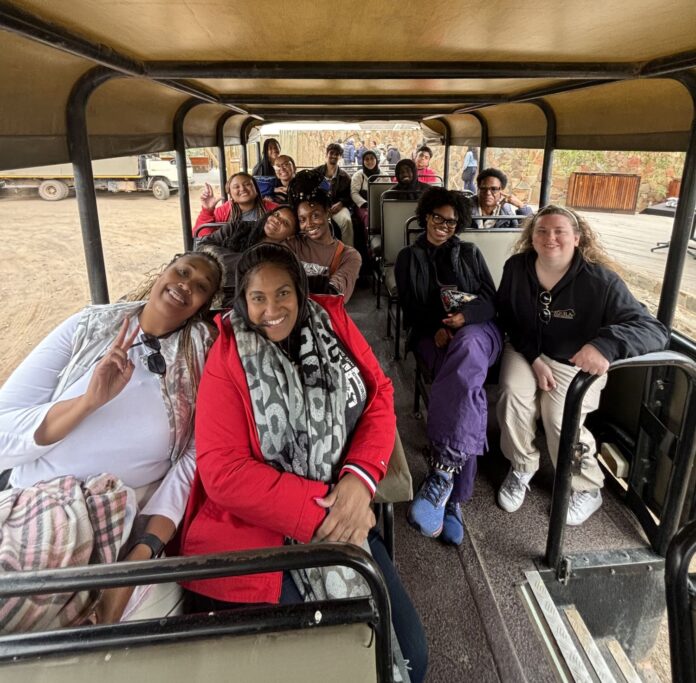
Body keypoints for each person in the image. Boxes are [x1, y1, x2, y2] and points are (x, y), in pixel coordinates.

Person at [179, 243, 428, 682]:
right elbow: (223, 474)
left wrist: (358, 481)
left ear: (299, 292)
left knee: (411, 656)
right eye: (258, 297)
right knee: (335, 666)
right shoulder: (228, 358)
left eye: (282, 294)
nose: (271, 309)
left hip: (347, 510)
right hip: (259, 538)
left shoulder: (331, 322)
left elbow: (379, 396)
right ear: (244, 300)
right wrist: (330, 509)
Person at [0, 252, 223, 627]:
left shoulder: (200, 353)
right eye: (182, 272)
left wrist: (144, 550)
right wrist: (87, 402)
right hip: (31, 500)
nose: (186, 284)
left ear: (204, 306)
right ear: (163, 272)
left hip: (116, 515)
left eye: (201, 287)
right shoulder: (89, 327)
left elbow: (193, 459)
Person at [495, 205, 669, 525]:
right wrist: (534, 360)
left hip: (573, 361)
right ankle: (522, 466)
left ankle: (587, 487)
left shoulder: (599, 281)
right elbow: (507, 316)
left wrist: (603, 345)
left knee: (559, 416)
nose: (551, 237)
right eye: (542, 231)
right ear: (531, 238)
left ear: (577, 238)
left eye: (560, 231)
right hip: (526, 351)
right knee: (512, 395)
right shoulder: (517, 268)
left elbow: (653, 329)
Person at [395, 188, 502, 545]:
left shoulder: (470, 253)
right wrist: (438, 328)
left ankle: (443, 475)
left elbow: (491, 302)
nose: (443, 226)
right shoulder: (409, 257)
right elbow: (410, 308)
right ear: (426, 216)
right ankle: (455, 497)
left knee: (468, 353)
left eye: (451, 221)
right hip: (433, 335)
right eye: (437, 218)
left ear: (459, 225)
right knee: (465, 388)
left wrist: (465, 318)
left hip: (477, 332)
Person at [197, 206, 298, 306]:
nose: (276, 220)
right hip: (206, 286)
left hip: (237, 304)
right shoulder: (237, 228)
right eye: (276, 214)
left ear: (291, 236)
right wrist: (246, 262)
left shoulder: (281, 257)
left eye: (285, 223)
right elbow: (203, 246)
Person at [287, 170, 361, 301]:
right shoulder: (291, 245)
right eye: (302, 220)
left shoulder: (349, 256)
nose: (309, 224)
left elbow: (335, 293)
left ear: (328, 213)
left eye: (315, 216)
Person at [194, 173, 278, 238]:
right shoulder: (224, 211)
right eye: (236, 187)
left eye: (247, 184)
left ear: (256, 189)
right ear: (231, 195)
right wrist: (207, 211)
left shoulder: (274, 209)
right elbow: (202, 237)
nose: (242, 189)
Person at [313, 143, 354, 247]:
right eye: (332, 153)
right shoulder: (315, 173)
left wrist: (341, 203)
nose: (334, 156)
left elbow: (349, 196)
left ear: (340, 157)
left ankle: (348, 251)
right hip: (319, 207)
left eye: (337, 154)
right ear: (326, 154)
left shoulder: (345, 177)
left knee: (346, 221)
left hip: (337, 207)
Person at [350, 149, 381, 231]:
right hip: (363, 206)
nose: (370, 161)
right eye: (366, 159)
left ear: (376, 160)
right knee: (368, 217)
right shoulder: (358, 175)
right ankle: (369, 240)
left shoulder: (384, 175)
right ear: (363, 161)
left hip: (380, 205)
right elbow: (354, 193)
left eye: (372, 158)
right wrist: (365, 204)